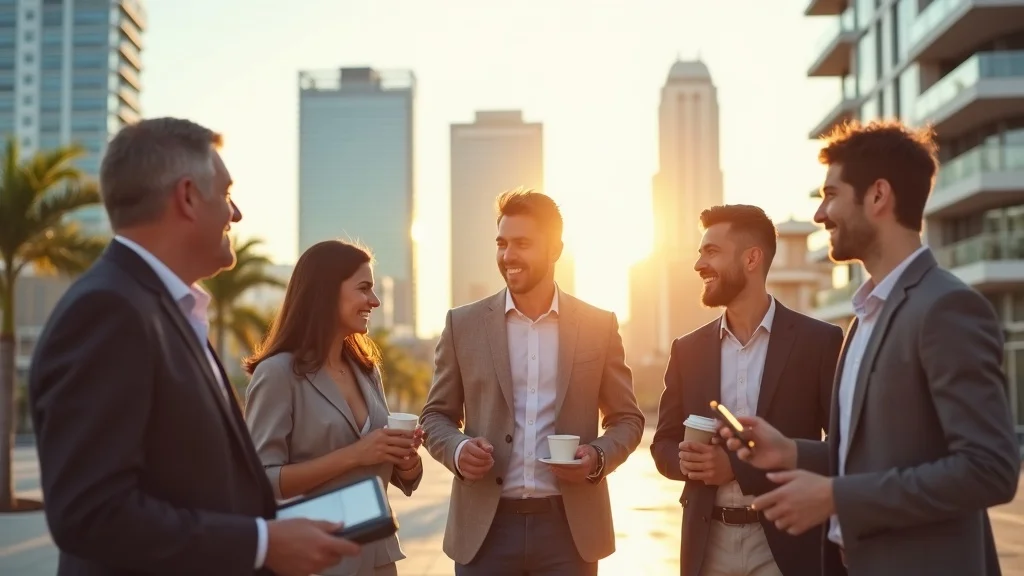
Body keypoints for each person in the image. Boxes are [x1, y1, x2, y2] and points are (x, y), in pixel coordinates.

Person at [28, 118, 360, 576]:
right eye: (225, 195)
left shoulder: (163, 309)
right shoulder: (110, 311)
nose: (236, 214)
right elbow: (92, 514)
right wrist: (261, 544)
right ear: (186, 197)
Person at [719, 120, 1020, 576]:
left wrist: (835, 497)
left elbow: (989, 469)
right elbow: (881, 455)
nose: (821, 215)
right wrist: (793, 452)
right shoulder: (864, 318)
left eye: (831, 194)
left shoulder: (947, 308)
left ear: (878, 196)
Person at [420, 188, 645, 575]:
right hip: (485, 531)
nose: (508, 256)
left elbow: (627, 418)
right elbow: (435, 416)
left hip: (569, 531)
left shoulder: (598, 325)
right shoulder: (463, 324)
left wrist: (597, 458)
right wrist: (457, 450)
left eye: (522, 243)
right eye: (502, 243)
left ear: (555, 249)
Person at [650, 204, 843, 576]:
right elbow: (663, 444)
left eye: (712, 251)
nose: (698, 264)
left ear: (752, 259)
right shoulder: (686, 350)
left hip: (789, 546)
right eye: (700, 252)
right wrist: (689, 463)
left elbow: (842, 448)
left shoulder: (819, 342)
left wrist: (736, 468)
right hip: (707, 546)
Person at [243, 239, 425, 576]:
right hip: (316, 561)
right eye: (364, 288)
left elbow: (402, 477)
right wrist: (357, 454)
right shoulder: (278, 373)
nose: (375, 300)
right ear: (326, 291)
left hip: (379, 559)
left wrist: (407, 459)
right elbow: (259, 482)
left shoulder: (366, 369)